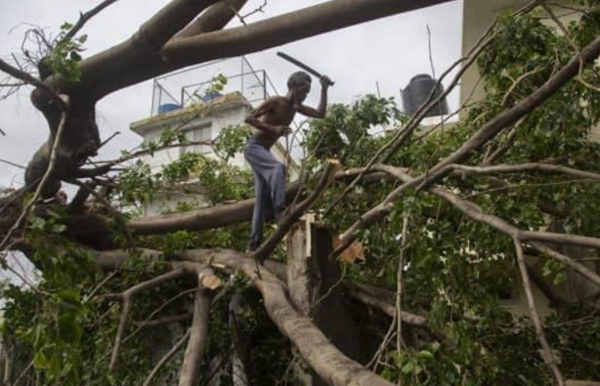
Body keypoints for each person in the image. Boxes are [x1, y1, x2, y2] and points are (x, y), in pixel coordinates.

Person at [244, 71, 331, 252]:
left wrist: (323, 89)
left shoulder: (296, 107)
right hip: (254, 148)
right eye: (302, 91)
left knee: (261, 199)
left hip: (264, 151)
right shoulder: (276, 102)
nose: (304, 95)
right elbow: (249, 118)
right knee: (278, 168)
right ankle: (280, 212)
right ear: (293, 87)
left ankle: (254, 245)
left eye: (307, 92)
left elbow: (320, 114)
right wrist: (273, 128)